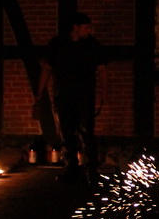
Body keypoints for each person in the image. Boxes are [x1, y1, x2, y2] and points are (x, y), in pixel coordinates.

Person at [34, 12, 108, 184]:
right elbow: (47, 68)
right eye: (86, 28)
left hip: (84, 96)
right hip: (63, 96)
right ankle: (71, 169)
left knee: (87, 134)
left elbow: (102, 69)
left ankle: (91, 170)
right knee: (66, 134)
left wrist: (104, 91)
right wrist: (39, 92)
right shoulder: (58, 44)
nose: (89, 31)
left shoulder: (92, 45)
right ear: (76, 28)